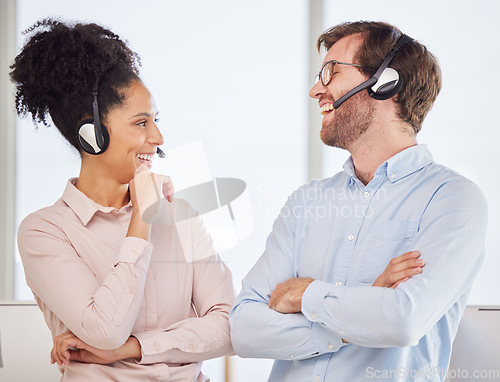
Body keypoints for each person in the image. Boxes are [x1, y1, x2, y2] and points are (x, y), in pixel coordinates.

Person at [230, 21, 488, 381]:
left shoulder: (452, 199)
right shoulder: (307, 201)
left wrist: (305, 295)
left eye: (329, 73)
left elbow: (402, 320)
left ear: (386, 84)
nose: (314, 90)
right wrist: (361, 309)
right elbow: (243, 327)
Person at [11, 18, 234, 381]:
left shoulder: (182, 216)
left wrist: (134, 348)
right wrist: (142, 218)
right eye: (141, 123)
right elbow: (106, 330)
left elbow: (230, 326)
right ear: (93, 135)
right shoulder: (44, 231)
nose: (158, 137)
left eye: (156, 120)